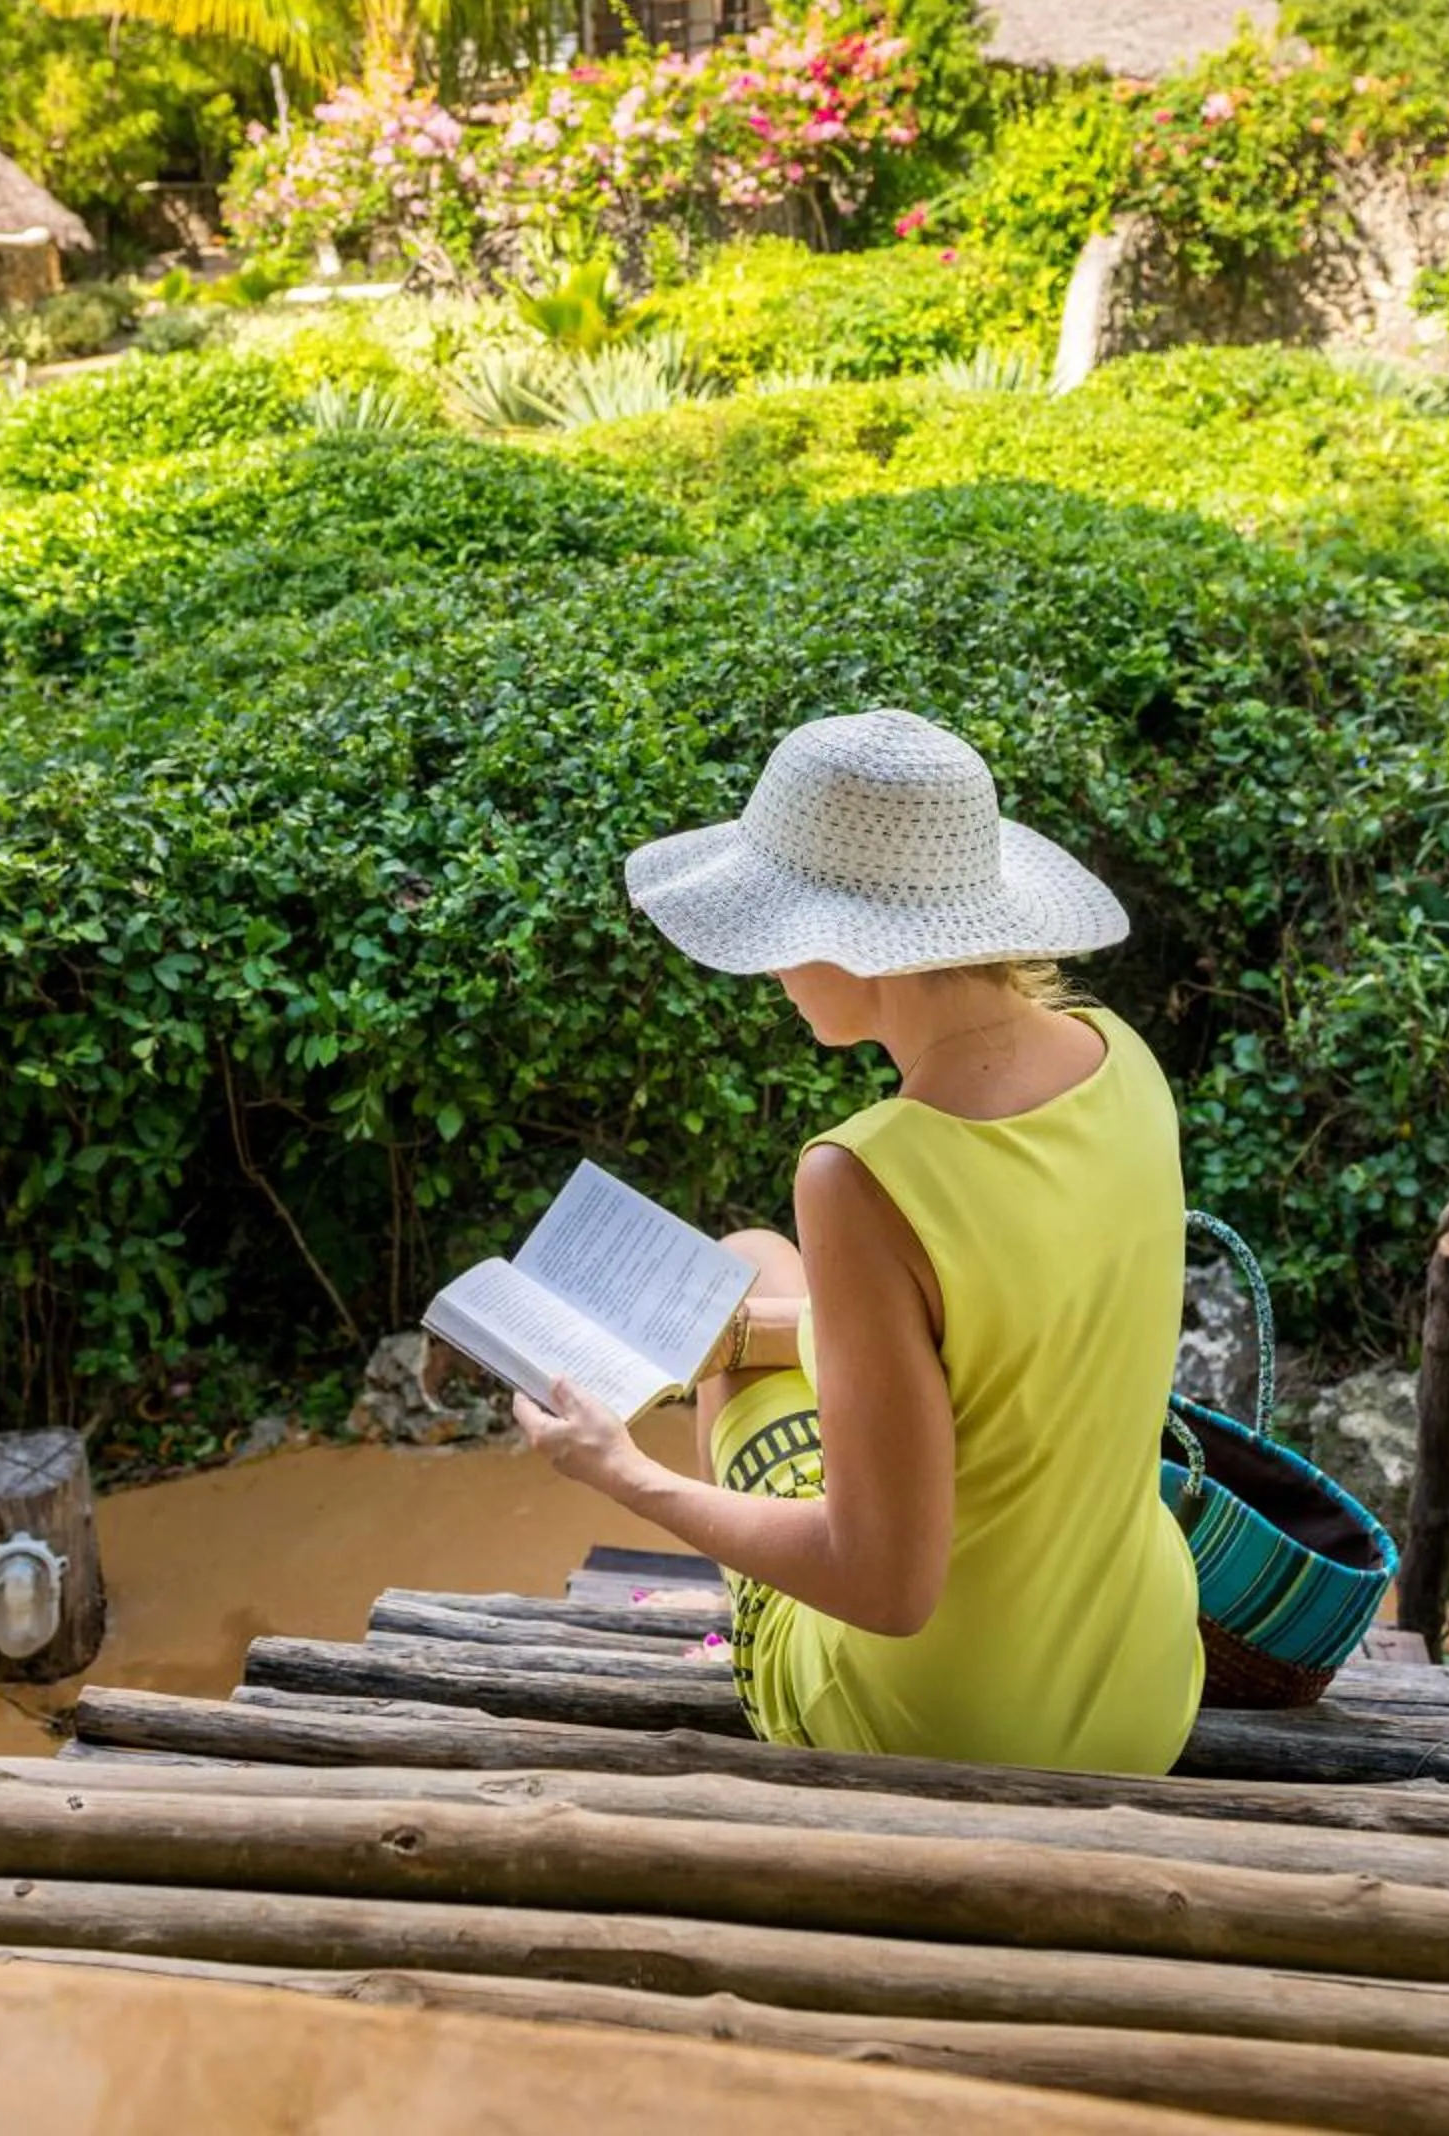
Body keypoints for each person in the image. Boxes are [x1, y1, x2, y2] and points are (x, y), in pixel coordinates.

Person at [512, 707, 1204, 1770]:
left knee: (746, 1268)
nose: (771, 974)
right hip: (1146, 1685)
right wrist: (751, 1335)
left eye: (777, 934)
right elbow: (1002, 1331)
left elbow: (883, 1586)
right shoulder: (1120, 1059)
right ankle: (736, 1331)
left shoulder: (865, 1175)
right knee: (749, 1277)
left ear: (851, 941)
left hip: (948, 1727)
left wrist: (618, 1473)